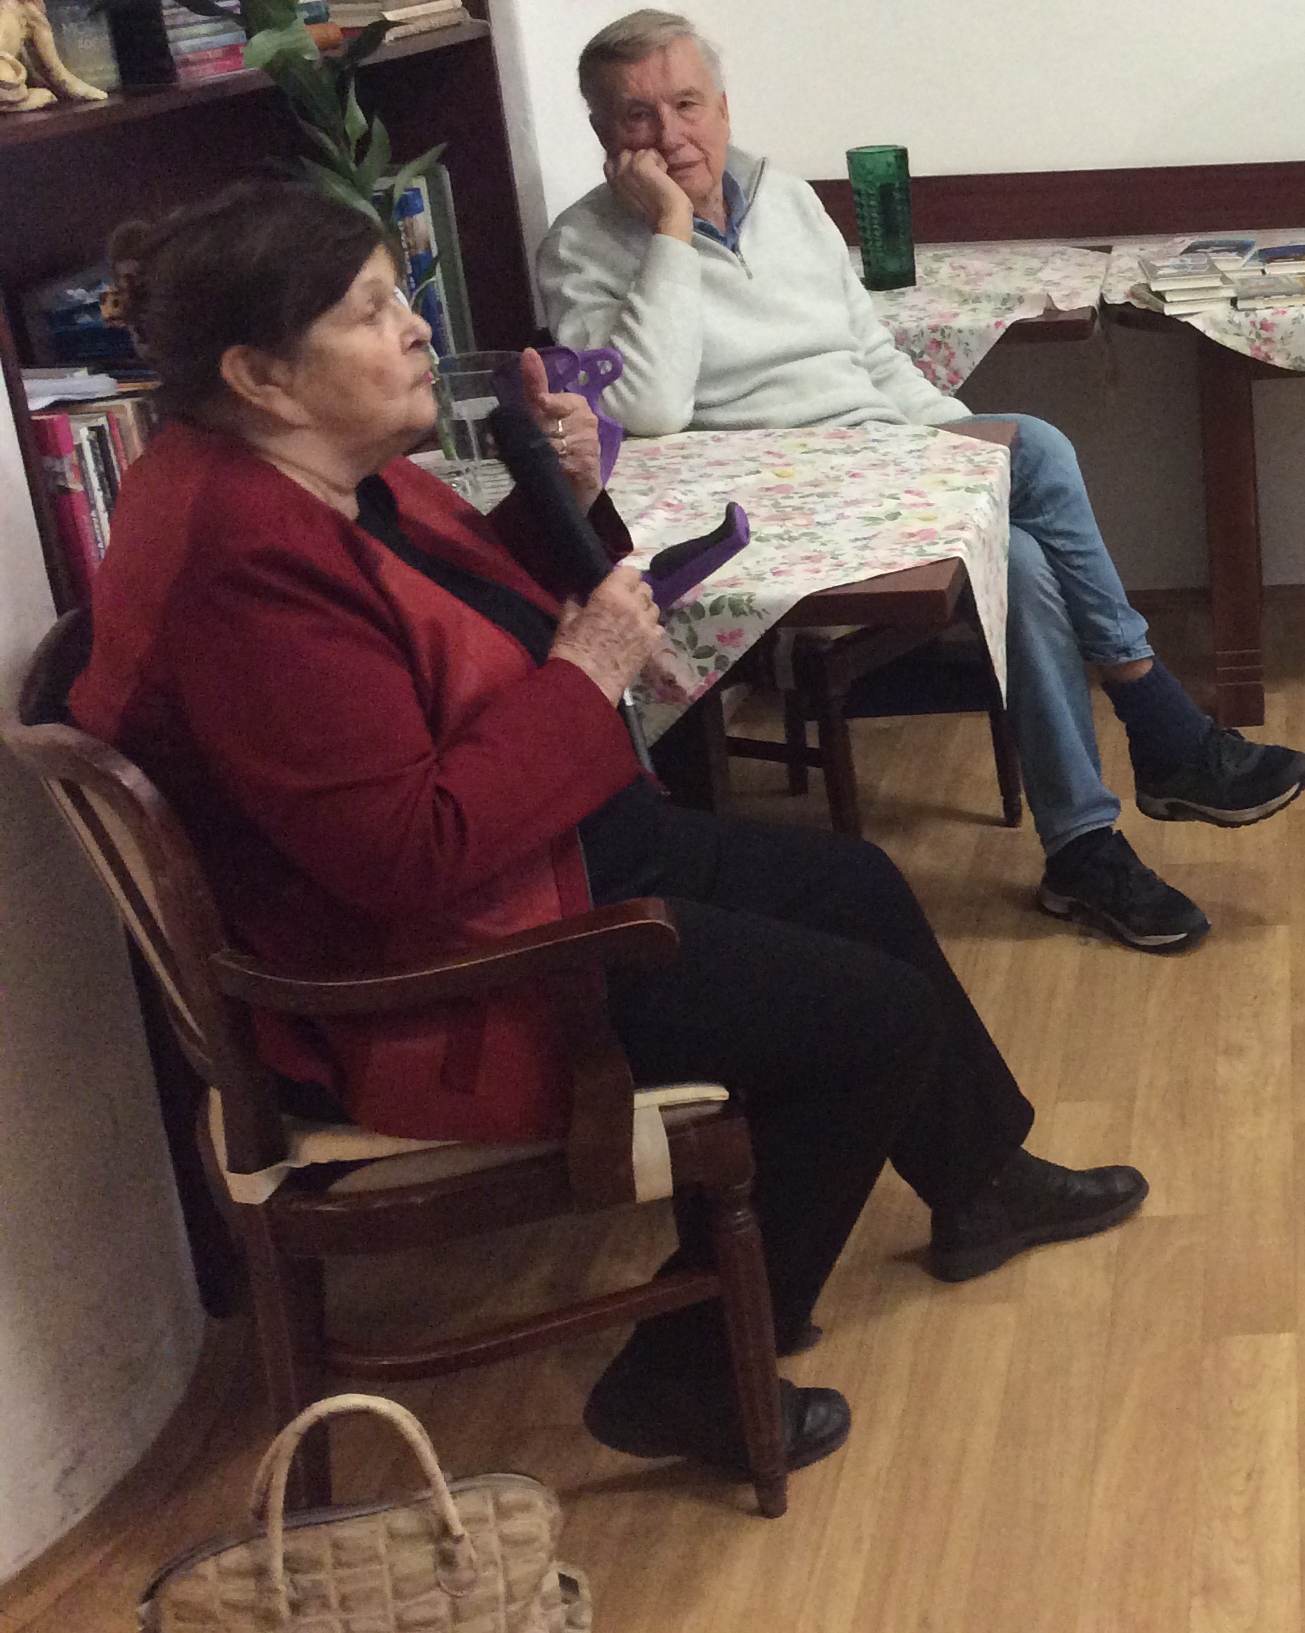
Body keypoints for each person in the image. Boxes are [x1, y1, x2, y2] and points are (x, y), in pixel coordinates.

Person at [72, 181, 1150, 1480]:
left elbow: (455, 618)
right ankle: (687, 1379)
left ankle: (979, 1182)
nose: (415, 327)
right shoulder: (243, 565)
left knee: (857, 883)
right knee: (873, 1024)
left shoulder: (307, 479)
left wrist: (565, 498)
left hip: (538, 860)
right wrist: (586, 673)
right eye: (369, 310)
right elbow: (407, 853)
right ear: (260, 374)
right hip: (444, 969)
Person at [536, 11, 1305, 955]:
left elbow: (871, 356)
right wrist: (669, 231)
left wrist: (960, 456)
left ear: (725, 108)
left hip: (873, 462)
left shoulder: (786, 199)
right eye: (638, 117)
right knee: (1039, 457)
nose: (670, 135)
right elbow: (650, 410)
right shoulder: (581, 246)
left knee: (1018, 542)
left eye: (688, 104)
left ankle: (1083, 848)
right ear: (602, 133)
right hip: (760, 502)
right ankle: (1157, 725)